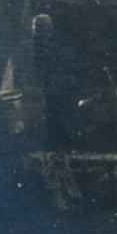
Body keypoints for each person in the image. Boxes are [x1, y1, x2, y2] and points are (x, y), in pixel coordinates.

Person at [33, 14, 79, 151]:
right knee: (52, 112)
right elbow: (41, 66)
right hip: (47, 84)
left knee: (60, 111)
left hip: (55, 83)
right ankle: (54, 140)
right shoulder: (37, 45)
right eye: (46, 27)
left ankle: (60, 138)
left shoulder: (49, 44)